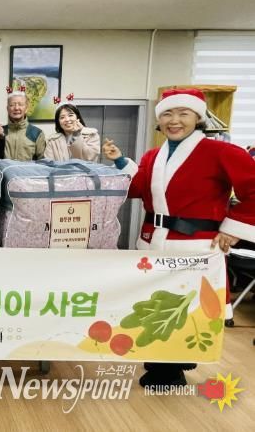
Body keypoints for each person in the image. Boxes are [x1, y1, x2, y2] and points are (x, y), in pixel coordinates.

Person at [103, 88, 255, 387]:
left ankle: (169, 370)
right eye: (167, 114)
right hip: (154, 241)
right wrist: (120, 161)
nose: (174, 121)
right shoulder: (153, 155)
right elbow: (139, 188)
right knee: (155, 303)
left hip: (195, 244)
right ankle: (166, 361)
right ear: (159, 121)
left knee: (183, 305)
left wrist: (232, 228)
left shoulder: (221, 152)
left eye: (183, 113)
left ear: (198, 117)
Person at [0, 90, 46, 160]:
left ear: (26, 108)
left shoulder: (37, 133)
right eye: (12, 105)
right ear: (7, 109)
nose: (16, 108)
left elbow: (42, 161)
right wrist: (0, 138)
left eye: (20, 104)